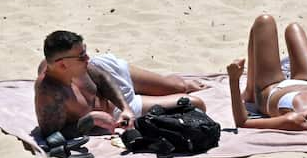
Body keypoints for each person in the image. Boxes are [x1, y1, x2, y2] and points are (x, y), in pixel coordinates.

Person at [35, 30, 207, 137]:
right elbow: (51, 135)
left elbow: (102, 78)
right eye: (81, 56)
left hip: (114, 80)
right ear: (62, 65)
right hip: (114, 110)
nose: (87, 58)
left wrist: (125, 107)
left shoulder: (80, 66)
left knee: (178, 86)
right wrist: (90, 120)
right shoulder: (50, 95)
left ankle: (178, 82)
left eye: (85, 51)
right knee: (196, 105)